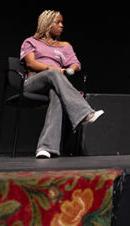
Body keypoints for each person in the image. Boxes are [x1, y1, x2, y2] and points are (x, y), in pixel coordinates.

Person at [19, 10, 104, 158]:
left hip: (56, 83)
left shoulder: (65, 46)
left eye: (62, 22)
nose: (61, 25)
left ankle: (46, 148)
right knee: (53, 73)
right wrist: (51, 69)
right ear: (47, 24)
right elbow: (31, 63)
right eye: (57, 22)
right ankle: (84, 113)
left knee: (57, 95)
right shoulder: (31, 42)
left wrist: (70, 70)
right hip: (34, 82)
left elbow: (76, 64)